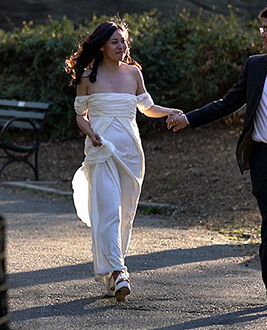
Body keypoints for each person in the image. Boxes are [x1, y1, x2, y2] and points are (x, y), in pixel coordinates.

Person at [167, 4, 267, 310]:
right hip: (263, 157)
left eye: (266, 29)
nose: (261, 34)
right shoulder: (255, 65)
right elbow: (228, 103)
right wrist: (189, 118)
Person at [66, 21, 181, 302]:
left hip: (131, 150)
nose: (122, 46)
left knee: (125, 213)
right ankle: (119, 272)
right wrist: (91, 132)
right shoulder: (87, 76)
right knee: (108, 211)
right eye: (115, 42)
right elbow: (81, 115)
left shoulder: (134, 73)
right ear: (103, 45)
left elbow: (146, 107)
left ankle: (110, 272)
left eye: (124, 41)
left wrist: (171, 111)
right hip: (102, 149)